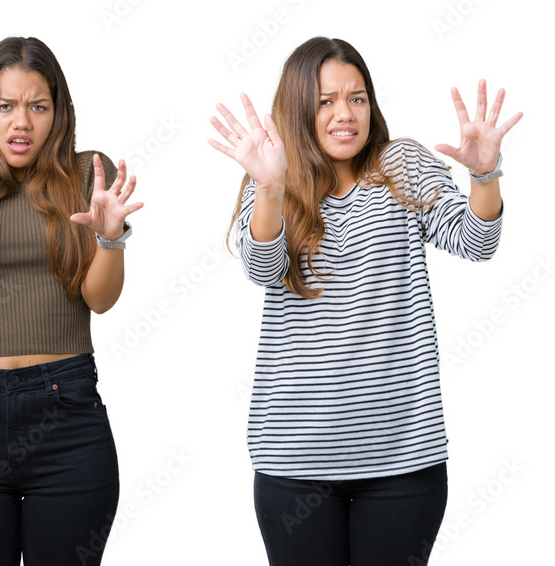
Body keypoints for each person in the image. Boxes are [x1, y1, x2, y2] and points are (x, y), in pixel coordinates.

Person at [208, 37, 521, 566]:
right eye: (325, 100)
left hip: (403, 459)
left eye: (357, 98)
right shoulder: (271, 179)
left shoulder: (401, 165)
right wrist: (270, 186)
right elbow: (262, 268)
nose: (344, 114)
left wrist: (484, 175)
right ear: (298, 108)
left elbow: (476, 240)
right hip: (295, 460)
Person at [0, 36, 142, 566]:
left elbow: (98, 301)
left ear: (57, 113)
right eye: (5, 107)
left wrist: (110, 238)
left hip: (69, 413)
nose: (21, 122)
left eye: (38, 107)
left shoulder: (87, 174)